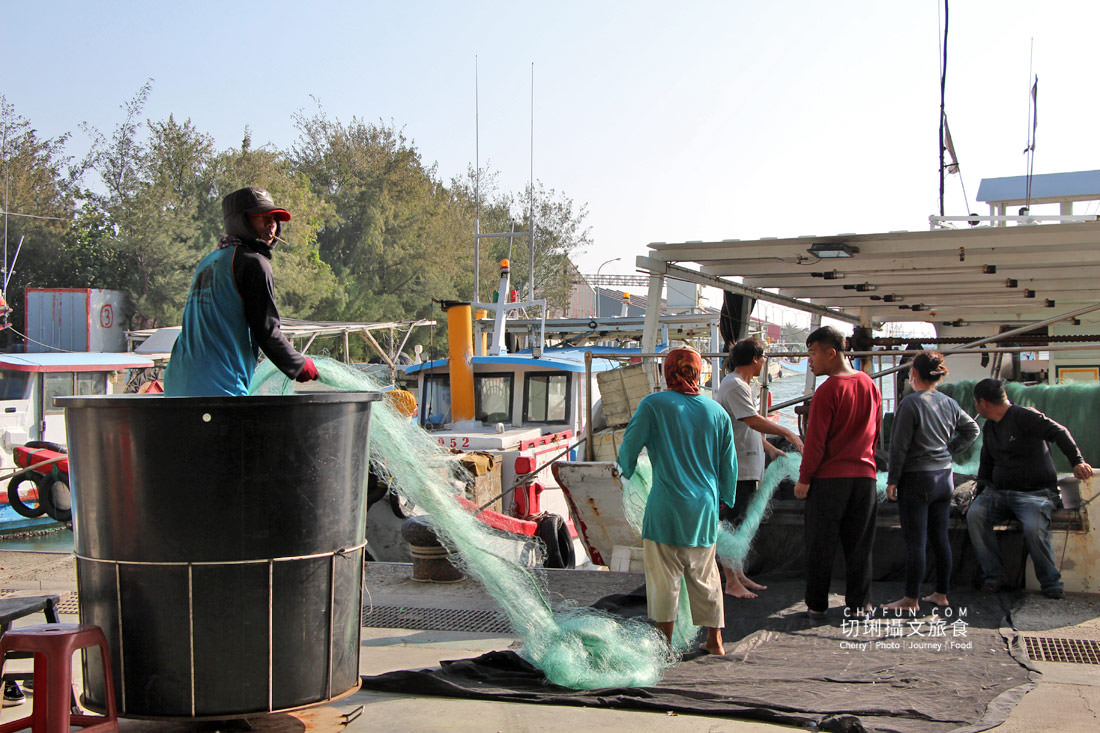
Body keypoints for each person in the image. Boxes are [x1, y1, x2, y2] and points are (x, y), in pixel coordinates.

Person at [618, 346, 736, 655]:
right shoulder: (717, 412)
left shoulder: (654, 405)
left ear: (667, 371)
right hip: (704, 507)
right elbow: (729, 465)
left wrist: (626, 470)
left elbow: (629, 446)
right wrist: (726, 498)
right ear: (697, 372)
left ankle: (665, 645)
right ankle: (715, 641)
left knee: (664, 580)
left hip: (666, 507)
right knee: (706, 574)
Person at [165, 186, 319, 396]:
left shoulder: (208, 261)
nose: (271, 225)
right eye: (262, 217)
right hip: (219, 386)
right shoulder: (253, 264)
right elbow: (266, 332)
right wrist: (299, 365)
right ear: (241, 220)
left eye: (274, 218)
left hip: (176, 383)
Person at [966, 378, 1094, 599]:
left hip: (1035, 494)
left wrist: (1077, 461)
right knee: (975, 516)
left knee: (1034, 528)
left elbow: (1059, 432)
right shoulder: (990, 428)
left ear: (983, 403)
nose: (976, 408)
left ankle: (1051, 583)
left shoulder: (1025, 416)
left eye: (976, 403)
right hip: (998, 493)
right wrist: (978, 496)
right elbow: (986, 465)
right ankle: (994, 576)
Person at [793, 326, 882, 620]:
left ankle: (817, 605)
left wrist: (804, 478)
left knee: (821, 544)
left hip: (830, 480)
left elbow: (815, 442)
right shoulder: (869, 385)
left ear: (831, 352)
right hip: (865, 477)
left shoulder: (828, 390)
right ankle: (859, 605)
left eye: (813, 353)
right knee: (860, 545)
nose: (810, 360)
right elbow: (876, 432)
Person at [883, 352, 979, 611]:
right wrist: (949, 450)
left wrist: (893, 479)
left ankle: (910, 599)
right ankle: (941, 594)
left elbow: (899, 446)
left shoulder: (910, 403)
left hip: (917, 478)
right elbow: (972, 429)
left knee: (916, 541)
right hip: (944, 478)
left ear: (914, 374)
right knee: (940, 538)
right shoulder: (949, 402)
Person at [715, 337, 804, 598]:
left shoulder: (740, 385)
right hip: (736, 470)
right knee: (731, 525)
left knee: (742, 523)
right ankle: (731, 582)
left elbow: (747, 426)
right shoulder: (734, 385)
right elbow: (753, 421)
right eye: (763, 358)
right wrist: (788, 433)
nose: (764, 363)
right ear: (755, 359)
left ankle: (738, 574)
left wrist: (770, 449)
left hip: (747, 467)